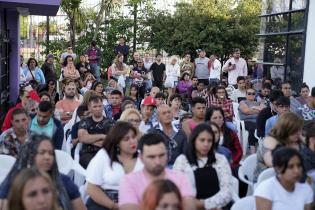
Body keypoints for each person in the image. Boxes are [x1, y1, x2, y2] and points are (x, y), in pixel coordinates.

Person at [0, 134, 86, 210]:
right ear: (31, 155)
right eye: (42, 152)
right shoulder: (15, 182)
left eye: (50, 153)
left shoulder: (64, 181)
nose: (47, 157)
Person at [118, 133, 196, 210]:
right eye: (151, 157)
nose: (157, 162)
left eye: (161, 155)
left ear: (167, 155)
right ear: (141, 157)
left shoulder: (181, 178)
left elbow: (189, 206)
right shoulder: (128, 181)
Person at [173, 123, 232, 210]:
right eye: (202, 140)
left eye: (209, 141)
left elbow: (227, 192)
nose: (206, 144)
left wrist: (204, 204)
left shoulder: (220, 160)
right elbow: (176, 189)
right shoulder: (182, 160)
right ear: (194, 140)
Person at [86, 122, 143, 210]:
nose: (132, 141)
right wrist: (113, 206)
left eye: (133, 137)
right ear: (117, 143)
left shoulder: (143, 158)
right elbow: (91, 188)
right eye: (126, 139)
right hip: (105, 203)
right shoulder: (104, 156)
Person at [254, 112, 304, 181]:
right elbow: (272, 163)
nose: (299, 133)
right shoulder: (270, 140)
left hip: (291, 178)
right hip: (267, 180)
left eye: (300, 129)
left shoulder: (295, 140)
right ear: (285, 129)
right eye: (295, 130)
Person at [78, 94, 115, 168]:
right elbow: (82, 138)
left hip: (107, 153)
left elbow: (113, 140)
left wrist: (91, 140)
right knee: (95, 165)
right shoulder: (84, 121)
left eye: (100, 106)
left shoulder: (111, 123)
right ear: (89, 108)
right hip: (88, 154)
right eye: (95, 106)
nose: (98, 109)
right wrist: (103, 136)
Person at [239, 88, 265, 153]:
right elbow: (246, 111)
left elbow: (264, 110)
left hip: (257, 121)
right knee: (253, 127)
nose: (251, 95)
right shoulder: (243, 102)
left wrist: (253, 108)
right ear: (246, 95)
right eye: (249, 93)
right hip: (245, 121)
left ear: (255, 95)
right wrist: (258, 110)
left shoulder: (258, 102)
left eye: (253, 93)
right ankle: (252, 148)